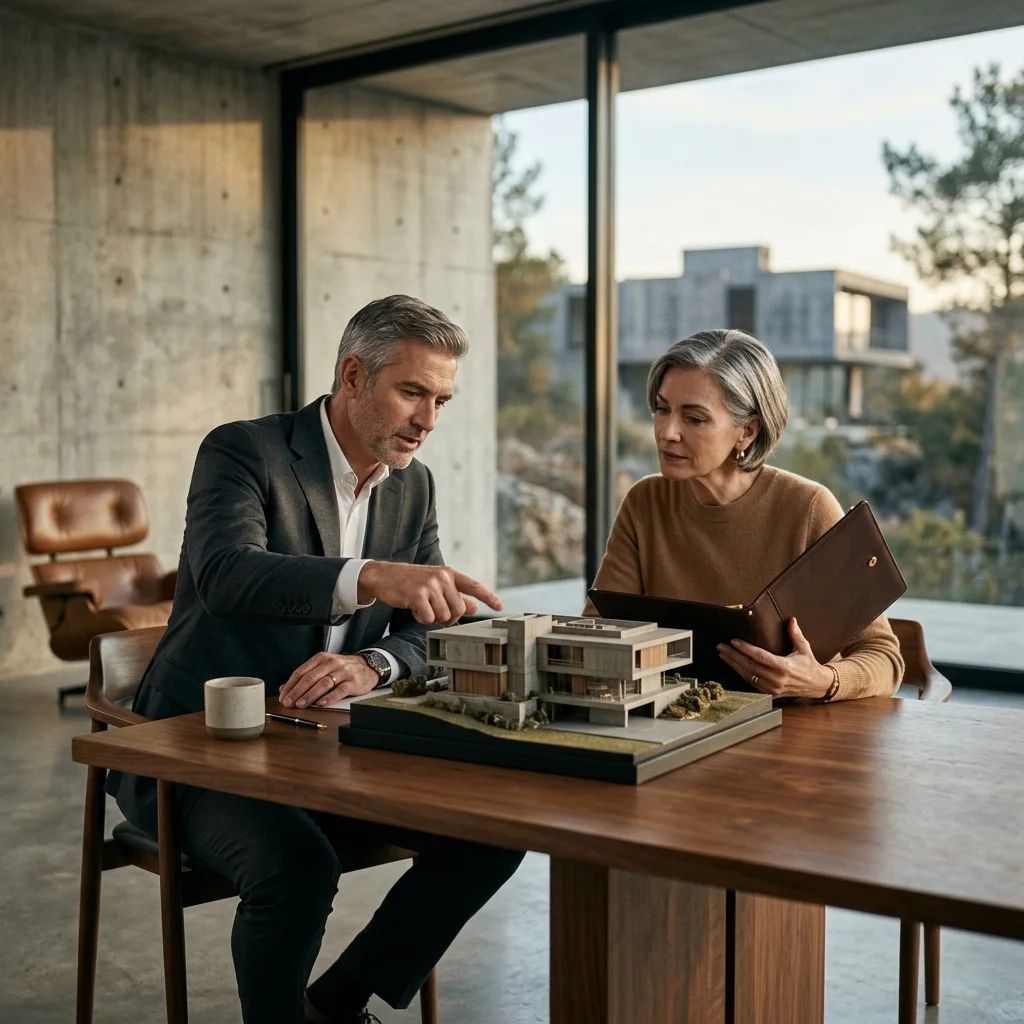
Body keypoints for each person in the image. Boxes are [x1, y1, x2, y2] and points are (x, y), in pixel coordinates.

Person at [108, 294, 524, 1024]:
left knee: (495, 833)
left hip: (326, 752)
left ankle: (333, 1006)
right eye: (413, 392)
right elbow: (225, 574)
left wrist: (375, 664)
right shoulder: (243, 451)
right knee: (297, 868)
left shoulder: (413, 486)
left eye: (442, 400)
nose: (428, 420)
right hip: (198, 749)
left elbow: (428, 625)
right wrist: (370, 576)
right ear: (354, 376)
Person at [587, 328, 904, 701]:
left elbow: (884, 658)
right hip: (681, 718)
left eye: (695, 419)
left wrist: (822, 680)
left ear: (747, 431)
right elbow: (597, 630)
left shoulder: (808, 508)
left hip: (799, 725)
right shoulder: (644, 502)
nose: (667, 432)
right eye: (662, 409)